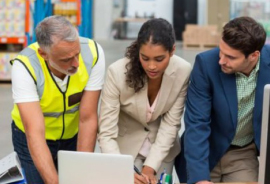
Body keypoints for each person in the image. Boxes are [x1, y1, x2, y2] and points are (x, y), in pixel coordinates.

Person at [175, 16, 270, 184]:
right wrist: (199, 179)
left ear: (254, 55)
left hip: (242, 153)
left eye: (231, 57)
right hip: (205, 150)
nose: (221, 61)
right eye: (221, 51)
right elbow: (197, 123)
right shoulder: (205, 64)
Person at [11, 15, 105, 184]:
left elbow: (87, 118)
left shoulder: (93, 54)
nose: (76, 63)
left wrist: (82, 172)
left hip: (72, 136)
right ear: (43, 54)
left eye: (77, 54)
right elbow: (34, 132)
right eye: (66, 60)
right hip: (32, 138)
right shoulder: (25, 67)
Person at [98, 18, 191, 184]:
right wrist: (120, 169)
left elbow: (171, 124)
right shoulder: (117, 73)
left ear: (172, 51)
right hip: (124, 152)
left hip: (162, 152)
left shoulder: (183, 71)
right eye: (145, 58)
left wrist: (151, 166)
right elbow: (106, 132)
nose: (152, 66)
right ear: (138, 51)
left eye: (159, 59)